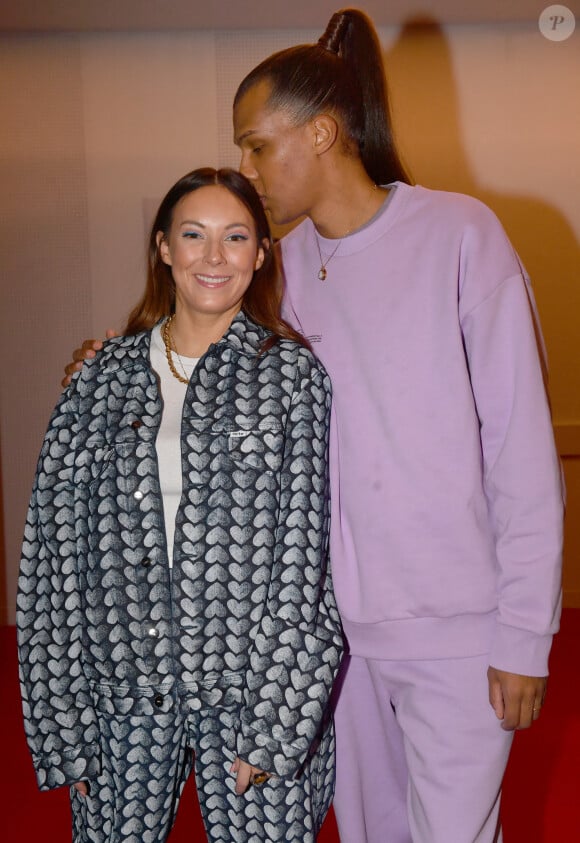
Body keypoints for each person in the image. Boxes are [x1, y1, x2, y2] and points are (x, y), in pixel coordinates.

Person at [62, 8, 565, 843]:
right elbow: (200, 355)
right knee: (369, 831)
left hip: (458, 629)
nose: (244, 166)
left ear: (324, 132)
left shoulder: (459, 235)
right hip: (338, 639)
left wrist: (524, 632)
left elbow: (520, 447)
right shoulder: (285, 270)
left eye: (256, 143)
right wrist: (113, 361)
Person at [17, 167, 344, 843]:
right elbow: (52, 559)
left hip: (248, 690)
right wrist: (66, 725)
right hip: (121, 695)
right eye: (194, 235)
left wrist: (277, 723)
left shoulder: (291, 377)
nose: (214, 256)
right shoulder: (101, 378)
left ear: (260, 253)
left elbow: (307, 561)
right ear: (164, 246)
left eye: (235, 237)